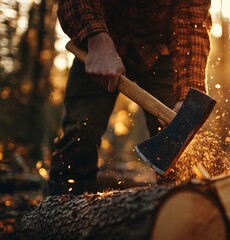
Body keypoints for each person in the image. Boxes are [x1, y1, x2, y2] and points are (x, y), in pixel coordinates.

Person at [49, 0, 212, 195]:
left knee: (180, 151)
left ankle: (182, 212)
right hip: (98, 42)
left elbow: (192, 22)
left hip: (159, 50)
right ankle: (63, 213)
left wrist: (187, 98)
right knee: (79, 135)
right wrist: (97, 39)